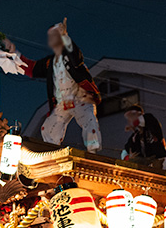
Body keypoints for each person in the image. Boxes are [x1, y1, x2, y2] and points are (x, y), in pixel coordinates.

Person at [6, 18, 101, 152]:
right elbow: (32, 68)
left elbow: (77, 58)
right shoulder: (49, 63)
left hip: (80, 97)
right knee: (49, 127)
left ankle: (93, 152)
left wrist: (65, 36)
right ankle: (51, 151)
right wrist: (15, 53)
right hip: (62, 102)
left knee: (89, 120)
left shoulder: (72, 55)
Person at [120, 104, 166, 170]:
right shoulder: (135, 137)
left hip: (160, 159)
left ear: (139, 114)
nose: (129, 120)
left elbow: (146, 119)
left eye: (131, 116)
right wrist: (128, 157)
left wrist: (133, 124)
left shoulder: (152, 125)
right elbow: (125, 151)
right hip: (148, 164)